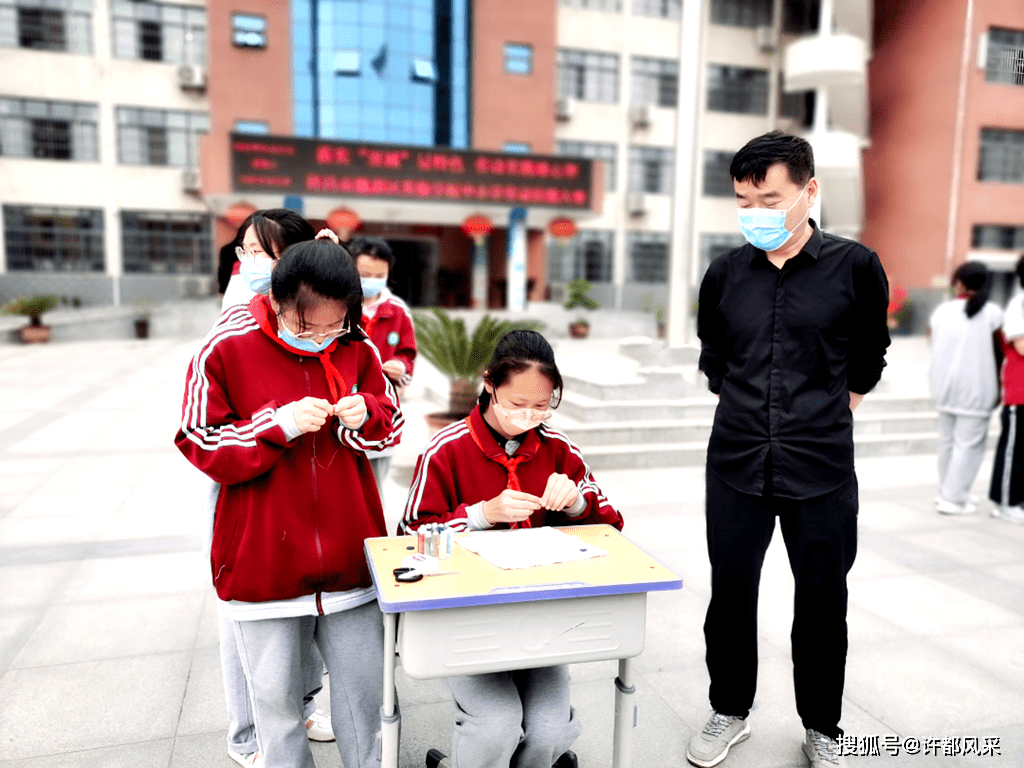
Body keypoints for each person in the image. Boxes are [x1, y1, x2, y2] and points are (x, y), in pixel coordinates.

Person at [691, 131, 890, 768]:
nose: (755, 212)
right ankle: (729, 712)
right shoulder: (724, 274)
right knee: (730, 597)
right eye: (743, 200)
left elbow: (869, 359)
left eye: (769, 198)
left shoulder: (857, 267)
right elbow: (716, 361)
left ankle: (822, 726)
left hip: (822, 468)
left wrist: (824, 417)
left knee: (824, 603)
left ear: (809, 191)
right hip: (736, 464)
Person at [176, 237, 403, 768]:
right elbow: (197, 438)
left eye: (335, 325)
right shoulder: (227, 345)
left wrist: (364, 413)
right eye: (308, 326)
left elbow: (388, 423)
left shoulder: (356, 344)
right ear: (276, 300)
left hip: (349, 560)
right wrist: (276, 425)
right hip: (264, 562)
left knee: (364, 700)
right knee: (277, 707)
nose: (324, 337)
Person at [399, 330, 623, 768]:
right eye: (518, 404)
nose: (530, 416)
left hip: (541, 617)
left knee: (550, 729)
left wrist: (578, 503)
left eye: (542, 406)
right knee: (496, 725)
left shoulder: (560, 450)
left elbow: (613, 528)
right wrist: (481, 514)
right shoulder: (446, 450)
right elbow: (409, 535)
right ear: (489, 385)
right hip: (467, 619)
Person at [208, 213, 333, 766]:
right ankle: (249, 734)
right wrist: (276, 424)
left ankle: (301, 704)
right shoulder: (238, 317)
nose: (250, 262)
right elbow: (205, 430)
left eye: (264, 252)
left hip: (307, 490)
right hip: (249, 485)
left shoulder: (320, 306)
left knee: (305, 617)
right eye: (245, 250)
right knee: (249, 622)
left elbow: (346, 353)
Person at [929, 262, 1003, 515]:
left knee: (948, 443)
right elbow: (999, 353)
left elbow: (934, 345)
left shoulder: (942, 312)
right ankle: (954, 498)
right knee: (968, 445)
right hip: (977, 388)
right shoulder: (992, 313)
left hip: (944, 387)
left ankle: (946, 493)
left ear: (958, 282)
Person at [350, 236, 417, 488]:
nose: (372, 281)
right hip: (344, 404)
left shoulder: (397, 311)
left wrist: (401, 366)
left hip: (381, 409)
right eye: (365, 274)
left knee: (373, 488)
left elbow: (408, 355)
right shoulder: (338, 305)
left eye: (380, 276)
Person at [221, 209, 316, 310]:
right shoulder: (242, 302)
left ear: (293, 255)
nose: (246, 261)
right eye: (245, 251)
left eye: (256, 251)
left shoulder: (319, 303)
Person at [989, 254, 1024, 524]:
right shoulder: (1019, 303)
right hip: (1019, 392)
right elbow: (1021, 345)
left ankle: (1017, 500)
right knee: (1013, 450)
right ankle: (1004, 502)